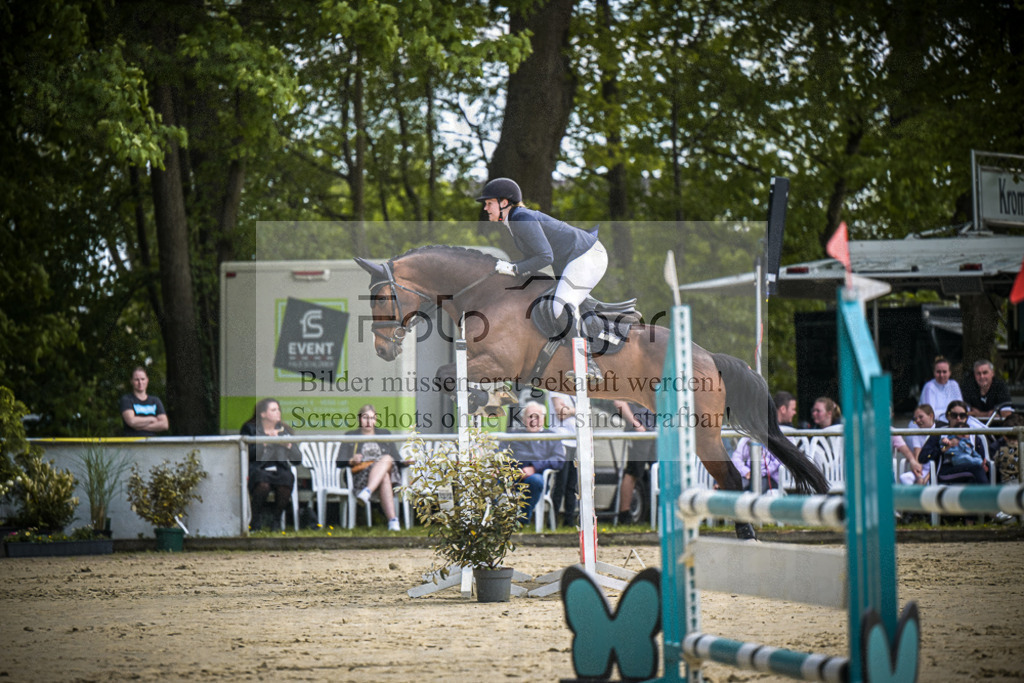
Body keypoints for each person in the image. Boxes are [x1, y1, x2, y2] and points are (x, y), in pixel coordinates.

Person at [476, 177, 608, 380]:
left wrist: (514, 268)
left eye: (489, 203)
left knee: (560, 306)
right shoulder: (515, 220)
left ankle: (588, 363)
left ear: (504, 202)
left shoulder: (521, 218)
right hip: (573, 258)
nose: (485, 208)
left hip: (587, 255)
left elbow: (545, 256)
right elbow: (537, 257)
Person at [501, 401, 565, 523]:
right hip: (512, 476)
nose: (533, 420)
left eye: (537, 416)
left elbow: (559, 459)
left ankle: (521, 521)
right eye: (530, 416)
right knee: (490, 480)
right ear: (523, 419)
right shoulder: (513, 435)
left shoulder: (551, 437)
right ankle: (494, 523)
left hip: (535, 477)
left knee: (535, 480)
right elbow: (499, 453)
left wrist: (534, 468)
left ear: (543, 418)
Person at [342, 404, 402, 531]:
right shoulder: (351, 436)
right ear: (359, 419)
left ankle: (367, 492)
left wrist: (406, 462)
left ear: (376, 419)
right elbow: (338, 462)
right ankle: (393, 521)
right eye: (365, 418)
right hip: (362, 475)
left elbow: (396, 457)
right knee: (385, 476)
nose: (369, 422)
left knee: (387, 458)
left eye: (372, 418)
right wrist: (352, 460)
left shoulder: (384, 434)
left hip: (388, 473)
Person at [240, 398, 295, 530]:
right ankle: (255, 520)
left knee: (286, 479)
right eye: (273, 410)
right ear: (263, 414)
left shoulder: (285, 430)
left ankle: (276, 521)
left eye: (278, 409)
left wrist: (288, 446)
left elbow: (297, 460)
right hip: (258, 468)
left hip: (278, 468)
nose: (278, 413)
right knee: (262, 483)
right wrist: (266, 442)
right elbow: (247, 453)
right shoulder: (250, 429)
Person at [727, 392, 795, 493]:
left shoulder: (784, 435)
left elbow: (777, 462)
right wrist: (747, 472)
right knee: (735, 484)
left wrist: (757, 473)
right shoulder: (749, 435)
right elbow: (736, 457)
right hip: (749, 475)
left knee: (758, 486)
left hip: (770, 479)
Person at [917, 401, 989, 485]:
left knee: (983, 470)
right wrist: (942, 449)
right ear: (948, 416)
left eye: (962, 415)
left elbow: (982, 458)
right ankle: (988, 497)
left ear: (966, 417)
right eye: (954, 415)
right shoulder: (939, 433)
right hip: (947, 471)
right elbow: (922, 457)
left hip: (970, 469)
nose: (958, 418)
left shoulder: (974, 435)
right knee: (976, 470)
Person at [612, 400, 656, 523]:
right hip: (639, 433)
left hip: (655, 431)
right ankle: (624, 515)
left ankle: (661, 513)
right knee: (633, 472)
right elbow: (618, 402)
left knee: (659, 471)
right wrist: (636, 424)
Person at [548, 391, 579, 527]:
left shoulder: (577, 390)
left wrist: (569, 410)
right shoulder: (555, 388)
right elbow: (561, 413)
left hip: (575, 441)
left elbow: (566, 411)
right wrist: (578, 410)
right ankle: (552, 520)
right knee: (561, 482)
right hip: (561, 441)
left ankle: (569, 520)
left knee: (572, 484)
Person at [119, 367, 170, 436]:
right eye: (137, 380)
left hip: (152, 443)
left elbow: (165, 424)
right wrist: (152, 419)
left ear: (147, 380)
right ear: (131, 381)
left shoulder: (155, 401)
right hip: (132, 443)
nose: (140, 382)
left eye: (143, 379)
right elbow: (132, 421)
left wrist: (140, 427)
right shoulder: (127, 399)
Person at [901, 404, 939, 485]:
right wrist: (920, 477)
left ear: (931, 416)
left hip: (936, 470)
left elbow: (938, 461)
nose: (917, 421)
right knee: (904, 478)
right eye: (915, 419)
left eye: (921, 417)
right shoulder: (917, 433)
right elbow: (917, 458)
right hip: (922, 471)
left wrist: (927, 478)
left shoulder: (940, 431)